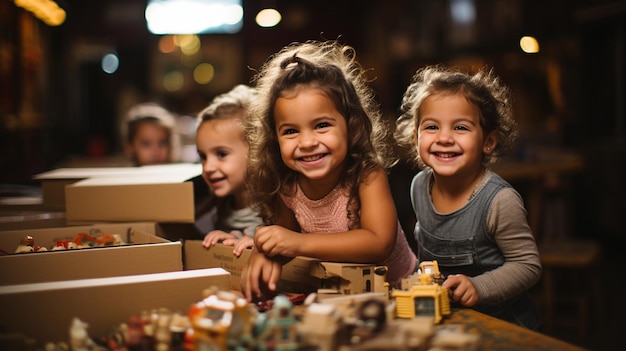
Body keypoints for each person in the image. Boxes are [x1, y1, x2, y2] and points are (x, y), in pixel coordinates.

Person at [241, 40, 417, 301]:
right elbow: (283, 240)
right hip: (339, 295)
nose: (307, 142)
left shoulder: (366, 175)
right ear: (274, 139)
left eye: (322, 125)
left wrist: (297, 243)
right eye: (290, 131)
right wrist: (266, 252)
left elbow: (379, 243)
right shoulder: (287, 187)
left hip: (399, 292)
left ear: (352, 127)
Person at [394, 64, 543, 330]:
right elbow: (426, 257)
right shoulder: (419, 186)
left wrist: (479, 286)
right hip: (448, 319)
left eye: (460, 127)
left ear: (488, 141)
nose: (444, 138)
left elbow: (527, 266)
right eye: (431, 127)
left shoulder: (499, 200)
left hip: (503, 325)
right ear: (415, 135)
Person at [195, 84, 263, 256]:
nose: (208, 167)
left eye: (221, 154)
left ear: (256, 149)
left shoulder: (277, 208)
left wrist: (258, 244)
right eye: (203, 156)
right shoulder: (220, 205)